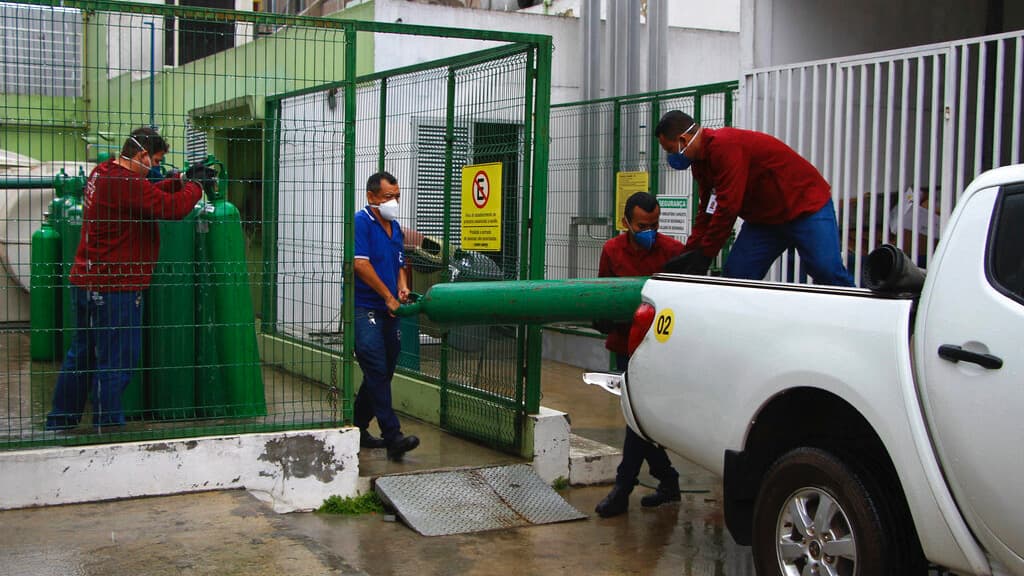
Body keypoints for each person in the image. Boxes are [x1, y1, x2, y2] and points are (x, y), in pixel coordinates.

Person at [46, 127, 210, 431]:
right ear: (142, 155)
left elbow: (152, 192)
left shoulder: (103, 172)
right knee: (116, 363)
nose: (156, 168)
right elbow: (170, 208)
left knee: (81, 356)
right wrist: (196, 187)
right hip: (115, 287)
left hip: (86, 281)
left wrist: (181, 180)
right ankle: (107, 429)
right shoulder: (124, 182)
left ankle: (60, 421)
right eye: (156, 161)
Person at [655, 110, 855, 286]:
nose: (671, 156)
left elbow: (728, 207)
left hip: (805, 207)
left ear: (683, 140)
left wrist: (705, 254)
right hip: (766, 221)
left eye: (670, 150)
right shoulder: (700, 163)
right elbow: (708, 210)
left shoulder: (724, 146)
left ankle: (859, 314)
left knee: (826, 270)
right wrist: (690, 254)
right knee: (737, 276)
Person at [594, 192, 686, 518]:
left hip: (661, 347)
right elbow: (603, 298)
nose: (649, 231)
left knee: (639, 418)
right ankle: (667, 479)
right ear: (626, 224)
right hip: (626, 347)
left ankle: (624, 487)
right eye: (642, 225)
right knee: (640, 417)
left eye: (654, 225)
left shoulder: (673, 251)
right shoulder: (612, 251)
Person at [352, 171, 420, 461]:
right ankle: (393, 436)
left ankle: (356, 427)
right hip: (364, 307)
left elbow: (401, 264)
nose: (394, 202)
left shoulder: (395, 228)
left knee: (384, 370)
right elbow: (361, 265)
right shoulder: (361, 222)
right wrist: (388, 296)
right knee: (376, 367)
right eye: (388, 197)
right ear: (371, 197)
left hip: (389, 310)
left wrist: (402, 288)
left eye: (396, 196)